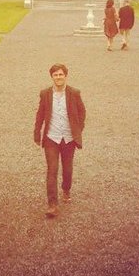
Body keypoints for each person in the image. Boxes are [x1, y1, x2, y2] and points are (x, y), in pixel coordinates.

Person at [34, 63, 86, 218]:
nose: (58, 77)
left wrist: (78, 129)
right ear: (52, 77)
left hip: (69, 139)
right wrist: (37, 133)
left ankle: (66, 189)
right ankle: (52, 205)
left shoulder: (74, 93)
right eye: (55, 75)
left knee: (67, 170)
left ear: (65, 76)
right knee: (52, 169)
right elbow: (40, 115)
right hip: (51, 138)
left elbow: (82, 112)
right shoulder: (45, 94)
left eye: (61, 74)